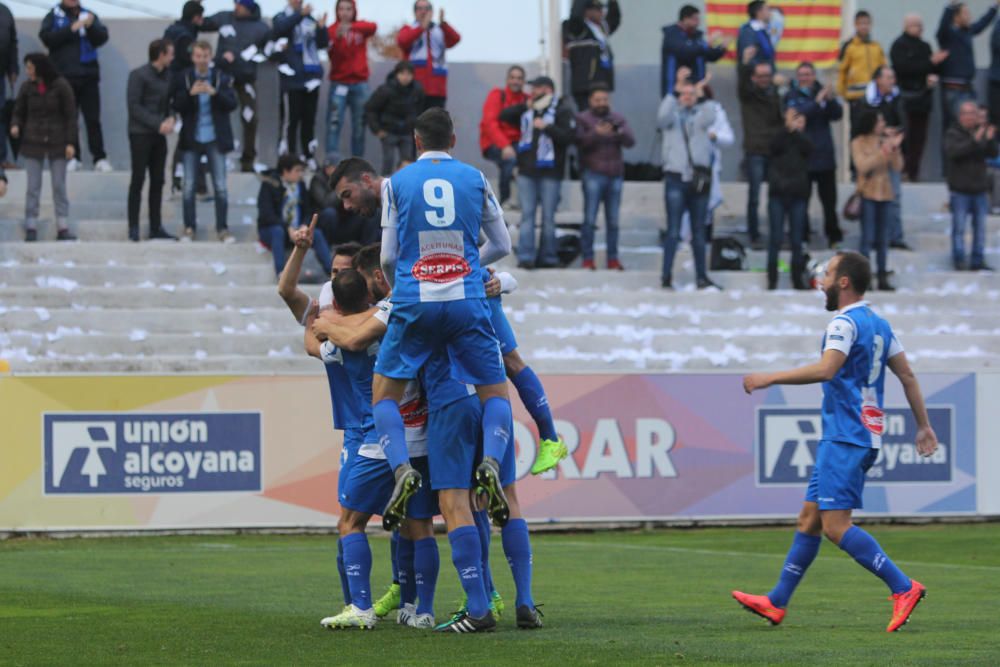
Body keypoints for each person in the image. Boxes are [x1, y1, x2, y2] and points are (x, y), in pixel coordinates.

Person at [734, 250, 937, 634]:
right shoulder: (880, 324)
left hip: (846, 433)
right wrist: (923, 426)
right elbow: (907, 376)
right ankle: (777, 601)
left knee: (835, 526)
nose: (822, 281)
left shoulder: (844, 323)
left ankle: (903, 586)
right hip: (862, 432)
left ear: (843, 282)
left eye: (827, 274)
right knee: (809, 520)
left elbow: (827, 369)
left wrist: (769, 378)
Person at [499, 75, 576, 269]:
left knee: (548, 218)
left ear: (548, 90)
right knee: (528, 216)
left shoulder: (562, 109)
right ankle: (526, 257)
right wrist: (526, 106)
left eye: (536, 88)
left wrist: (548, 126)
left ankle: (548, 257)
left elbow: (568, 138)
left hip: (551, 172)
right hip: (527, 171)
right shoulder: (528, 110)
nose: (532, 91)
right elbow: (504, 116)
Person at [171, 41, 239, 243]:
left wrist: (214, 93)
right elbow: (176, 104)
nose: (202, 60)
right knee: (189, 185)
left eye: (205, 56)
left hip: (215, 139)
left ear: (210, 57)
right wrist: (189, 94)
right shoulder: (184, 77)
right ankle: (189, 227)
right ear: (193, 57)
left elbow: (232, 103)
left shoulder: (220, 77)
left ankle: (222, 229)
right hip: (192, 138)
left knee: (220, 186)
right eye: (198, 56)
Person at [658, 79, 719, 290]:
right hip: (675, 178)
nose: (687, 97)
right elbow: (661, 118)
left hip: (698, 181)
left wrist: (703, 95)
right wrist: (672, 94)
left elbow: (712, 115)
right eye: (684, 94)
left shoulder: (701, 117)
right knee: (673, 231)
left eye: (691, 94)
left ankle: (701, 277)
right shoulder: (672, 117)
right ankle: (666, 276)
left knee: (699, 232)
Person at [11, 52, 77, 242]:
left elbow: (70, 116)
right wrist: (16, 125)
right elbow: (19, 111)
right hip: (33, 141)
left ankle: (62, 226)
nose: (28, 71)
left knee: (59, 185)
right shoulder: (27, 87)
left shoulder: (61, 86)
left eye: (31, 67)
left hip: (57, 142)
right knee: (33, 186)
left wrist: (71, 142)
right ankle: (31, 224)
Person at [38, 0, 111, 172]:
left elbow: (101, 38)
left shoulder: (88, 14)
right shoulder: (53, 16)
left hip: (88, 76)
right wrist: (72, 28)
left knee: (92, 119)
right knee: (69, 118)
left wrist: (90, 25)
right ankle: (73, 156)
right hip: (64, 77)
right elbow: (47, 38)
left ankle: (99, 157)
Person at [207, 0, 271, 173]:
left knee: (251, 118)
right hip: (223, 78)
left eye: (240, 5)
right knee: (215, 115)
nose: (236, 7)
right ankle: (212, 157)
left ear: (249, 9)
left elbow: (270, 49)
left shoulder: (261, 27)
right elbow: (201, 23)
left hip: (246, 79)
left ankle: (247, 160)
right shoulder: (224, 17)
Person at [576, 83, 635, 271]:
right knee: (590, 219)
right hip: (592, 174)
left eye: (604, 99)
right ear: (590, 101)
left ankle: (613, 259)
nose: (601, 103)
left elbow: (631, 141)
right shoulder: (583, 118)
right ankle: (587, 259)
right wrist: (596, 133)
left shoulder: (617, 118)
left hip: (615, 175)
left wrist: (617, 131)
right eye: (597, 100)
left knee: (613, 221)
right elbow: (579, 143)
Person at [785, 62, 844, 248]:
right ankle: (803, 236)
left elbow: (837, 114)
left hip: (825, 157)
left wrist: (831, 99)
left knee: (829, 202)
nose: (805, 78)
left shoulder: (821, 92)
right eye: (802, 75)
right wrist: (817, 102)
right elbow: (797, 116)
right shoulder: (791, 95)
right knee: (802, 201)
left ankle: (834, 237)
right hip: (803, 158)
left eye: (808, 74)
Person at [126, 39, 177, 243]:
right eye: (170, 53)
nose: (172, 58)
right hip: (140, 134)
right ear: (161, 54)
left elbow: (170, 102)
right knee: (138, 180)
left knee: (158, 180)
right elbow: (134, 106)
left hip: (159, 136)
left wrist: (171, 117)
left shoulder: (168, 77)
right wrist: (157, 123)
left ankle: (156, 227)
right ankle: (134, 226)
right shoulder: (138, 75)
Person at [891, 14, 948, 182]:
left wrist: (934, 69)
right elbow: (903, 68)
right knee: (903, 137)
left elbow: (932, 69)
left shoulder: (925, 46)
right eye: (916, 25)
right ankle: (901, 171)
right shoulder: (899, 45)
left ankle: (913, 173)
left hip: (923, 98)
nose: (920, 28)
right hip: (905, 97)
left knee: (919, 138)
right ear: (906, 26)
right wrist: (929, 63)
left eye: (921, 25)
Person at [272, 0, 329, 169]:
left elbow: (322, 44)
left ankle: (307, 155)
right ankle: (290, 156)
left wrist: (321, 28)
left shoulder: (310, 19)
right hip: (292, 79)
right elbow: (279, 30)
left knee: (309, 118)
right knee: (291, 119)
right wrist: (300, 15)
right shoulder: (281, 17)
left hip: (311, 77)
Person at [851, 110, 903, 291]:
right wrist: (882, 152)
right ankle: (865, 278)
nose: (883, 124)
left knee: (883, 239)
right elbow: (862, 166)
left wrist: (895, 149)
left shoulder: (885, 142)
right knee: (867, 238)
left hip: (886, 193)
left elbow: (897, 167)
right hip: (868, 193)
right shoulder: (858, 142)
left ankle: (882, 276)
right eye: (880, 121)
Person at [738, 50, 785, 249]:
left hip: (774, 150)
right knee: (755, 196)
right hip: (755, 150)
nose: (764, 80)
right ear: (754, 78)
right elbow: (742, 83)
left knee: (778, 196)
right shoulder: (749, 95)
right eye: (761, 76)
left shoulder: (776, 94)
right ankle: (754, 233)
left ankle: (778, 233)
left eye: (768, 76)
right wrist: (746, 63)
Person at [944, 100, 998, 271]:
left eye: (974, 114)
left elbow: (992, 153)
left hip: (979, 189)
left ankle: (977, 259)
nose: (971, 117)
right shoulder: (953, 133)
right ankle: (959, 259)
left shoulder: (980, 133)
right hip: (960, 189)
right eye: (967, 114)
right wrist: (975, 141)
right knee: (959, 227)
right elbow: (955, 153)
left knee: (980, 228)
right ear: (961, 116)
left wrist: (989, 140)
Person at [258, 154, 330, 277]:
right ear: (286, 171)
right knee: (277, 231)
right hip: (274, 229)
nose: (300, 174)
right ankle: (281, 273)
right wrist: (287, 228)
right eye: (297, 170)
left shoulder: (300, 186)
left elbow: (308, 210)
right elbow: (267, 215)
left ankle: (331, 270)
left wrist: (304, 225)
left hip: (297, 229)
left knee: (316, 233)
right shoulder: (269, 185)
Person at [861, 66, 909, 251]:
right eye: (888, 77)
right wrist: (881, 134)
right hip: (872, 156)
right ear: (878, 80)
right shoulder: (867, 100)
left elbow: (905, 123)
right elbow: (861, 127)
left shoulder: (897, 99)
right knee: (871, 201)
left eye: (893, 77)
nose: (892, 81)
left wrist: (896, 134)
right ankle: (872, 239)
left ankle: (895, 237)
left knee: (894, 197)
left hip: (893, 152)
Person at [936, 0, 999, 133]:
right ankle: (949, 154)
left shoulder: (967, 32)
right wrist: (950, 6)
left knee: (970, 128)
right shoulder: (948, 35)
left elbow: (982, 24)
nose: (969, 16)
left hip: (967, 88)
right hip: (953, 89)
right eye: (965, 13)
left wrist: (994, 6)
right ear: (956, 17)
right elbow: (942, 28)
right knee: (953, 129)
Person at [767, 108, 812, 290]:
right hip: (778, 194)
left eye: (799, 121)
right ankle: (772, 279)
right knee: (775, 238)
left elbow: (809, 149)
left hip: (798, 195)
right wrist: (786, 130)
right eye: (793, 120)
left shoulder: (804, 141)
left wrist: (796, 133)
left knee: (796, 239)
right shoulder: (779, 136)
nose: (796, 124)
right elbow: (773, 147)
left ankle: (797, 278)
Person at [325, 0, 376, 162]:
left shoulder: (360, 26)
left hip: (360, 84)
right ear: (337, 11)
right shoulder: (332, 30)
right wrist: (338, 38)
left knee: (360, 125)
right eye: (341, 9)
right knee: (334, 123)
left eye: (348, 9)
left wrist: (351, 27)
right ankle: (332, 163)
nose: (345, 12)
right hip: (339, 83)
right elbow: (332, 56)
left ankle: (357, 163)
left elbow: (373, 27)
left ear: (354, 10)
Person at [396, 1, 460, 110]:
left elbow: (455, 39)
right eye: (420, 9)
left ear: (432, 11)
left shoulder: (439, 30)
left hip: (437, 88)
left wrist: (443, 23)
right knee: (414, 123)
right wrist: (422, 28)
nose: (423, 11)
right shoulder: (409, 28)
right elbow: (403, 41)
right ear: (415, 12)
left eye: (427, 8)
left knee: (435, 123)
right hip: (414, 87)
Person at [479, 65, 527, 209]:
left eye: (519, 78)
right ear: (507, 79)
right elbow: (490, 123)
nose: (515, 81)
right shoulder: (497, 95)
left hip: (517, 143)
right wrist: (505, 145)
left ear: (523, 81)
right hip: (493, 143)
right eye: (512, 78)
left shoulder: (527, 99)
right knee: (510, 160)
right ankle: (504, 201)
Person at [364, 61, 424, 175]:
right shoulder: (385, 90)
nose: (405, 77)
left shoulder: (417, 90)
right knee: (388, 162)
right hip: (388, 131)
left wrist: (415, 127)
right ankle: (385, 188)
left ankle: (407, 186)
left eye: (409, 74)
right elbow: (370, 108)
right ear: (396, 74)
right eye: (402, 74)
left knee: (408, 163)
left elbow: (419, 110)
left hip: (407, 132)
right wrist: (377, 129)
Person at [563, 0, 621, 111]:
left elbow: (615, 19)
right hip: (585, 86)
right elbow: (575, 15)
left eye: (601, 9)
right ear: (587, 11)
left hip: (602, 84)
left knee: (603, 118)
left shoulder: (601, 28)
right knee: (588, 118)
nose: (601, 12)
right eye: (597, 9)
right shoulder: (577, 29)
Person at [660, 5, 727, 99]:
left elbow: (708, 55)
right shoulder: (672, 35)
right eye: (695, 19)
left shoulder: (696, 36)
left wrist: (721, 48)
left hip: (697, 88)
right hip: (676, 89)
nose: (698, 22)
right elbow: (686, 52)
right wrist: (706, 43)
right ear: (685, 19)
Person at [309, 160, 380, 247]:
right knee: (330, 213)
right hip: (327, 223)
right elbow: (325, 203)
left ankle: (366, 251)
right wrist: (340, 189)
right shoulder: (318, 180)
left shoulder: (348, 181)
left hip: (346, 222)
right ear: (328, 169)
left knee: (371, 212)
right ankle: (327, 246)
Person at [838, 10, 886, 133]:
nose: (864, 26)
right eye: (861, 23)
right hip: (856, 99)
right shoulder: (850, 47)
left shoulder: (876, 47)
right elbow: (842, 71)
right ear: (855, 25)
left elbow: (884, 69)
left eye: (867, 23)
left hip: (875, 99)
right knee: (857, 132)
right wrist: (843, 94)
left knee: (875, 131)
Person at [0, 2, 18, 170]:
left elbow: (12, 42)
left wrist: (13, 69)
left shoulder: (4, 11)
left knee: (1, 116)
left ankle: (1, 159)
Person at [737, 1, 774, 68]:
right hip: (755, 76)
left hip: (765, 74)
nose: (770, 13)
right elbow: (748, 59)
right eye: (767, 9)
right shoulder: (748, 31)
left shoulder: (762, 30)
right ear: (759, 12)